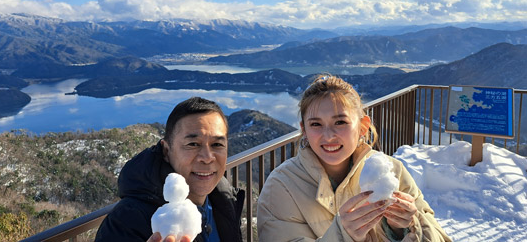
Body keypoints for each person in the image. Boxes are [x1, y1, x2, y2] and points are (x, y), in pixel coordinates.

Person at [257, 75, 451, 241]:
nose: (328, 135)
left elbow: (440, 237)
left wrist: (408, 227)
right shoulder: (282, 187)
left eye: (340, 122)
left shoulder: (393, 170)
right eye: (316, 124)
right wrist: (342, 235)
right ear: (304, 130)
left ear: (363, 126)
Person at [95, 97, 245, 242]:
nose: (207, 157)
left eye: (217, 145)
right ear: (166, 151)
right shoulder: (125, 222)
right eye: (193, 144)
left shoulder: (224, 200)